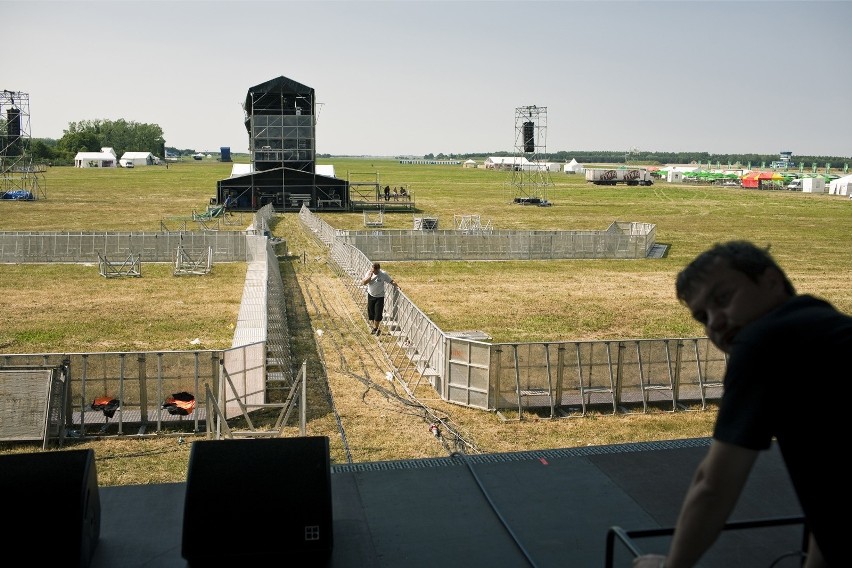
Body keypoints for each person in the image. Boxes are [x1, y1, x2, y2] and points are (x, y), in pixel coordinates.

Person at [633, 241, 850, 568]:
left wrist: (671, 566)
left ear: (771, 281)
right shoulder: (819, 320)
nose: (716, 323)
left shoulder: (763, 341)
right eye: (702, 317)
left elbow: (714, 485)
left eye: (723, 299)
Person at [361, 262, 399, 336]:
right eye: (372, 269)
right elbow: (364, 282)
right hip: (371, 295)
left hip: (380, 297)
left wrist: (397, 286)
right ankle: (374, 327)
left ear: (378, 269)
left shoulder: (383, 274)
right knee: (371, 313)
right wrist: (370, 276)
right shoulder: (369, 273)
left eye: (375, 270)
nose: (374, 271)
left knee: (378, 314)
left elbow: (391, 281)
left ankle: (376, 329)